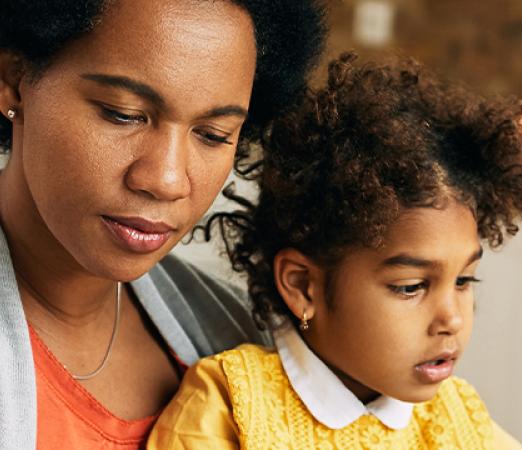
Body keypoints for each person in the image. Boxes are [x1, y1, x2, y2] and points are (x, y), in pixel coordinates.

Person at [148, 53, 522, 449]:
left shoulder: (459, 420)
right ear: (304, 286)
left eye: (463, 280)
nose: (453, 319)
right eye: (411, 287)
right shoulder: (230, 405)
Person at [0, 1, 326, 449]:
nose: (167, 179)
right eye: (123, 113)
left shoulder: (239, 343)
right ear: (14, 82)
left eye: (213, 134)